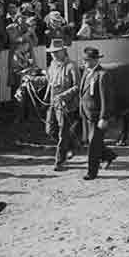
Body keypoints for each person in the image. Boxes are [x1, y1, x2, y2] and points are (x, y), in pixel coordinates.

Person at [79, 46, 117, 181]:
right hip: (86, 114)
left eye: (87, 60)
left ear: (95, 60)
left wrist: (104, 117)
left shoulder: (102, 75)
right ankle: (109, 155)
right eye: (84, 60)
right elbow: (82, 92)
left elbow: (106, 98)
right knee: (94, 142)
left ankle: (92, 172)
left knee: (93, 144)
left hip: (97, 116)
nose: (84, 62)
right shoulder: (86, 72)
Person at [45, 38, 81, 172]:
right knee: (50, 130)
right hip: (53, 103)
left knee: (63, 133)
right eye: (52, 52)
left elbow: (77, 86)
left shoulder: (72, 66)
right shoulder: (52, 65)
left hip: (66, 105)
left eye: (56, 52)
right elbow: (48, 81)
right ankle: (72, 145)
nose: (53, 54)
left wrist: (63, 96)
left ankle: (60, 161)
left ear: (63, 51)